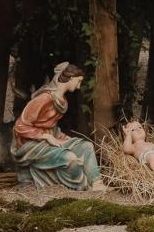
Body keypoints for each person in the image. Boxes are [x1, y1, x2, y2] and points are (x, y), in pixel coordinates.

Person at [12, 62, 105, 191]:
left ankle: (97, 183)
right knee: (70, 158)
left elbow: (52, 128)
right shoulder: (44, 98)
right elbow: (20, 126)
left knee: (86, 146)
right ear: (71, 78)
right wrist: (45, 136)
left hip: (49, 138)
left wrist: (62, 138)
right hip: (30, 144)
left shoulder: (62, 100)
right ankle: (82, 186)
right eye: (78, 82)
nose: (78, 87)